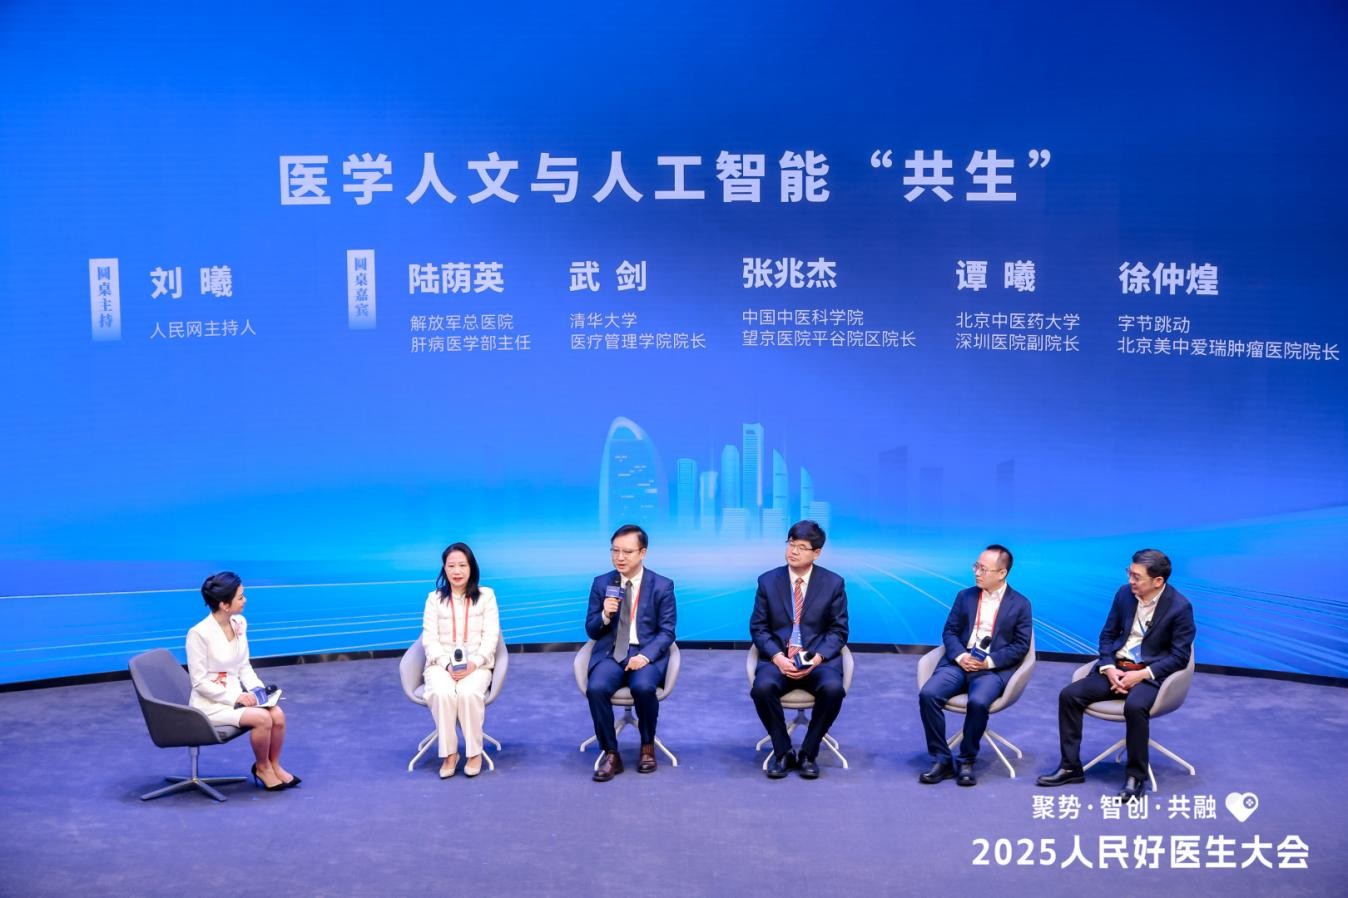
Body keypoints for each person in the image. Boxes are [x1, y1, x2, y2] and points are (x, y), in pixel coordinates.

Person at [1037, 548, 1196, 799]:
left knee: (1135, 706)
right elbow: (1108, 635)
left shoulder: (1180, 607)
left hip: (1149, 676)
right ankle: (1070, 767)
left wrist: (1141, 675)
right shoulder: (1124, 594)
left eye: (1136, 577)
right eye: (1129, 573)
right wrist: (1109, 667)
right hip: (1117, 669)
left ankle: (1135, 777)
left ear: (1158, 581)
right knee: (1069, 696)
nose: (1130, 581)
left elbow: (1179, 657)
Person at [917, 544, 1033, 787]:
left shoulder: (1021, 603)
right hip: (959, 663)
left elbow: (1021, 646)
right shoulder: (965, 596)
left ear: (1002, 573)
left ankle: (967, 760)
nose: (977, 573)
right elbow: (950, 632)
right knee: (928, 694)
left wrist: (987, 662)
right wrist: (961, 656)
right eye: (976, 567)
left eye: (983, 569)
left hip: (991, 668)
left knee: (978, 702)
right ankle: (941, 759)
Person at [749, 519, 849, 779]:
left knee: (833, 689)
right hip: (780, 659)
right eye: (791, 544)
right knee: (762, 689)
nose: (793, 551)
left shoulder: (833, 583)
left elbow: (838, 631)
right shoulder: (768, 581)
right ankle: (783, 751)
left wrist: (816, 659)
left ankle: (808, 752)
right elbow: (759, 628)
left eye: (802, 547)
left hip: (817, 661)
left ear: (816, 553)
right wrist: (778, 657)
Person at [187, 572, 299, 791]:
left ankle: (274, 765)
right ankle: (262, 767)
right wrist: (236, 697)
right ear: (224, 605)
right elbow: (199, 683)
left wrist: (258, 692)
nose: (245, 600)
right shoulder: (198, 634)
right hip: (210, 705)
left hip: (240, 698)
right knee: (262, 719)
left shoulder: (239, 622)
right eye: (240, 597)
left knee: (277, 714)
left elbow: (243, 666)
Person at [584, 523, 677, 782]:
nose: (620, 557)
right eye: (615, 551)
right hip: (612, 652)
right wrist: (605, 614)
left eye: (627, 552)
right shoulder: (602, 583)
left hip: (644, 653)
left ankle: (647, 746)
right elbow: (591, 630)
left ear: (642, 553)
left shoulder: (662, 585)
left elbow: (667, 632)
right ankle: (611, 753)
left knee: (644, 688)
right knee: (596, 689)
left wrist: (645, 656)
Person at [421, 542, 501, 779]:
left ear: (471, 567)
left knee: (467, 693)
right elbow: (429, 639)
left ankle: (474, 752)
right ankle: (449, 753)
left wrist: (473, 663)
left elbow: (491, 637)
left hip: (477, 664)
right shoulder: (434, 599)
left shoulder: (486, 596)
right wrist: (447, 664)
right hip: (440, 665)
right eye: (451, 566)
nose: (457, 571)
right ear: (444, 569)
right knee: (442, 693)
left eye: (462, 565)